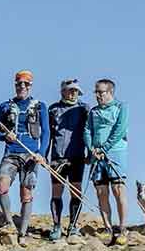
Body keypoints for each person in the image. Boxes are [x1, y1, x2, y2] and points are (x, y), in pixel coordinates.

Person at [0, 70, 49, 246]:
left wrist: (41, 153)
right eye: (19, 84)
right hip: (11, 153)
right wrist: (5, 136)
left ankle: (23, 232)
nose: (22, 87)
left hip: (31, 154)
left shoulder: (40, 106)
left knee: (26, 194)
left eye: (26, 84)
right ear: (15, 85)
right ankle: (9, 223)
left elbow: (46, 132)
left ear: (30, 86)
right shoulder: (5, 106)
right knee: (2, 185)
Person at [84, 78, 129, 246]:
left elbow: (120, 129)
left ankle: (123, 228)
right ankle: (107, 228)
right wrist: (91, 148)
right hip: (97, 156)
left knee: (118, 190)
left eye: (100, 92)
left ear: (110, 92)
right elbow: (87, 130)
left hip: (115, 153)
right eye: (95, 92)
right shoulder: (93, 111)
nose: (97, 95)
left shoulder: (121, 107)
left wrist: (105, 148)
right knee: (101, 193)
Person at [47, 78, 89, 241]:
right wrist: (43, 155)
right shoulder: (53, 109)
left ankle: (73, 226)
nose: (73, 93)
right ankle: (56, 226)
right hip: (57, 158)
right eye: (70, 90)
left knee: (76, 192)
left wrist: (90, 153)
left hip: (77, 156)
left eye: (76, 91)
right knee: (56, 192)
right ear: (62, 91)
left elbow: (89, 132)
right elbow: (48, 135)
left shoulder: (84, 108)